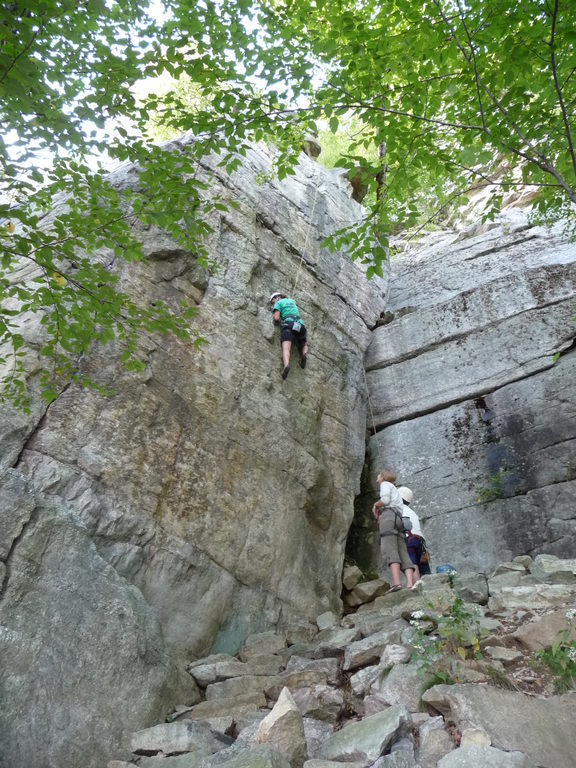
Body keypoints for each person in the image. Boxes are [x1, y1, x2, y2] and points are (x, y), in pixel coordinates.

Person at [372, 469, 415, 592]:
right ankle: (410, 584)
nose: (378, 476)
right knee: (402, 550)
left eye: (379, 474)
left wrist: (375, 505)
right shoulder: (395, 489)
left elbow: (385, 500)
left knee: (389, 548)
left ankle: (396, 584)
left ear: (383, 477)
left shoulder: (385, 485)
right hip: (399, 519)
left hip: (388, 517)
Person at [269, 291, 309, 379]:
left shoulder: (278, 303)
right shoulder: (292, 301)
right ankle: (304, 354)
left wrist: (275, 319)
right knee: (304, 343)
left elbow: (276, 317)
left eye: (272, 302)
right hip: (300, 325)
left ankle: (286, 365)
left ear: (277, 298)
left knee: (286, 348)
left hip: (288, 324)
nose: (273, 304)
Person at [397, 486, 431, 582]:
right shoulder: (412, 512)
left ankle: (416, 587)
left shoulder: (397, 509)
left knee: (412, 564)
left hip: (408, 538)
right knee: (422, 565)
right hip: (420, 541)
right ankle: (426, 585)